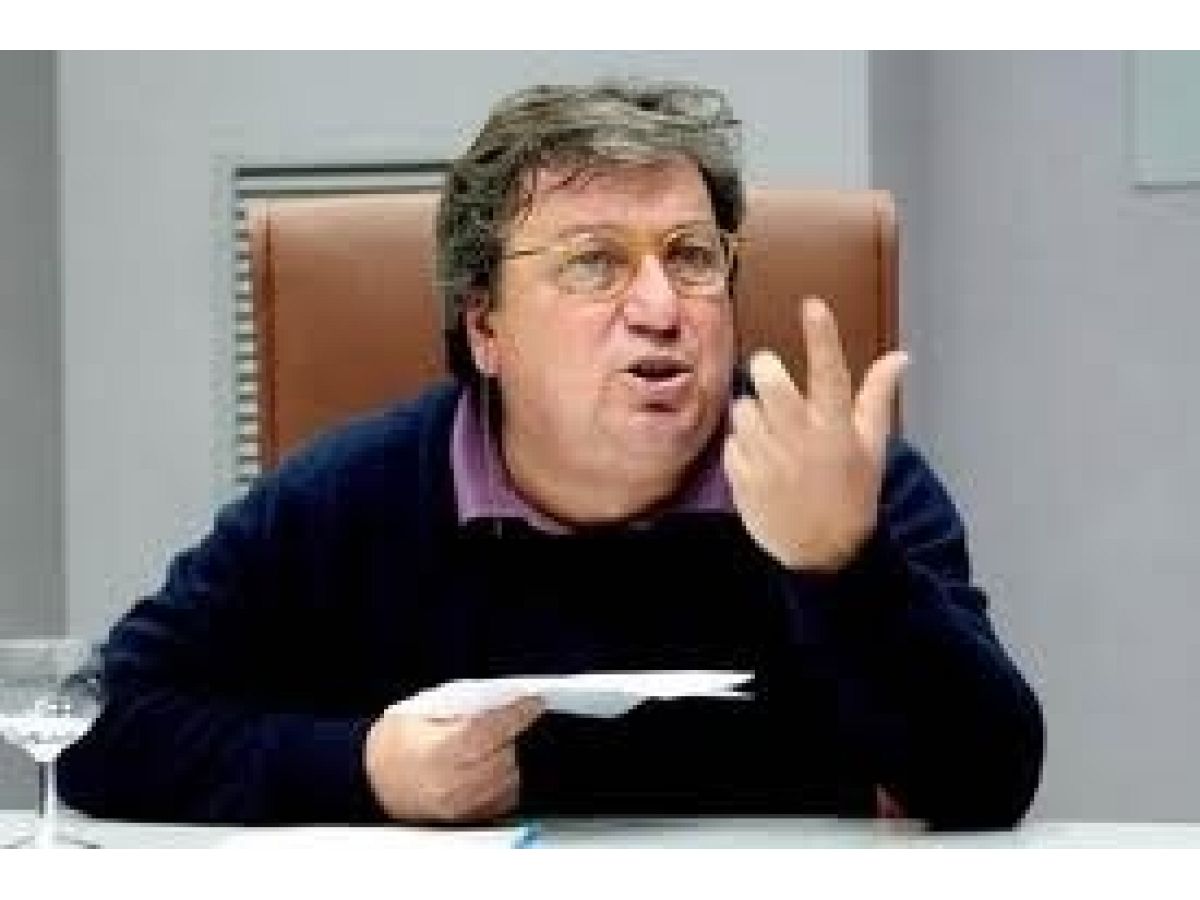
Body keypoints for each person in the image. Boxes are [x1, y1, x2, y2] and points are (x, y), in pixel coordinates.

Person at [58, 80, 1044, 830]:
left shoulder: (838, 482)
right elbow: (99, 728)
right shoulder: (348, 499)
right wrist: (364, 768)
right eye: (594, 263)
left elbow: (989, 784)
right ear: (485, 325)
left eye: (692, 256)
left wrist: (843, 566)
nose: (660, 308)